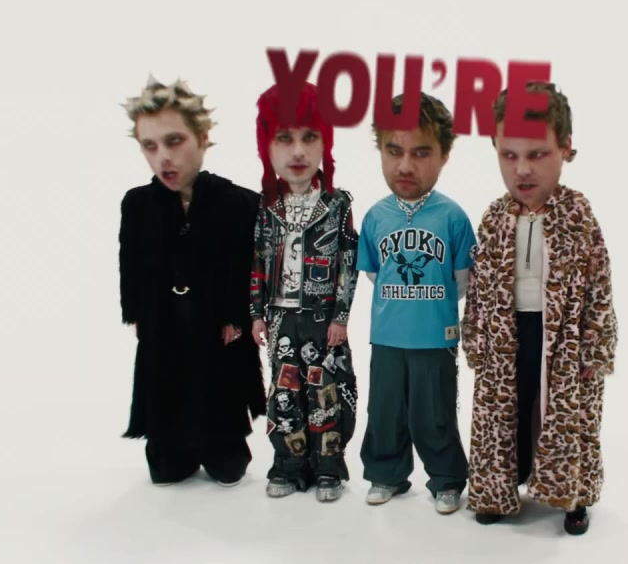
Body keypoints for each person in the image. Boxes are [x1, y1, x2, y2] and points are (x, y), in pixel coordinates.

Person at [462, 81, 618, 535]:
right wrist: (475, 338)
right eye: (509, 155)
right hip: (508, 335)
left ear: (565, 148)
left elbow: (599, 285)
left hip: (564, 341)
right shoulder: (494, 217)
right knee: (505, 411)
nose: (522, 169)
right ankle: (498, 487)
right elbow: (480, 285)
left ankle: (574, 495)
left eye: (537, 154)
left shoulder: (577, 214)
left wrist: (596, 347)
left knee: (566, 414)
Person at [118, 75, 264, 487]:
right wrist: (138, 314)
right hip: (164, 332)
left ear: (201, 138)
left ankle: (220, 443)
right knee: (166, 463)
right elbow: (130, 264)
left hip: (219, 336)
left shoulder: (240, 203)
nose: (163, 157)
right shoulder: (138, 204)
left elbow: (249, 270)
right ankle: (172, 445)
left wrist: (237, 316)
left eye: (174, 141)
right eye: (150, 146)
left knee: (227, 458)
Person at [357, 92, 477, 514]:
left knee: (435, 411)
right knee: (385, 409)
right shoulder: (375, 217)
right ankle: (386, 474)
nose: (405, 165)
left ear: (444, 155)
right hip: (387, 336)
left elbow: (462, 280)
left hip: (435, 336)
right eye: (394, 151)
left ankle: (446, 479)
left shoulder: (453, 217)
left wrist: (428, 304)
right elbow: (374, 274)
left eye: (421, 152)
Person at [249, 82, 361, 503]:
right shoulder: (265, 206)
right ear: (267, 146)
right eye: (284, 138)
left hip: (321, 317)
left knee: (324, 390)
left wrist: (341, 317)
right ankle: (289, 464)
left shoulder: (337, 204)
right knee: (284, 392)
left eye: (309, 137)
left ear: (324, 143)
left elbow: (347, 264)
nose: (297, 152)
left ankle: (328, 465)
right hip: (280, 317)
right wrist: (256, 313)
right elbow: (258, 261)